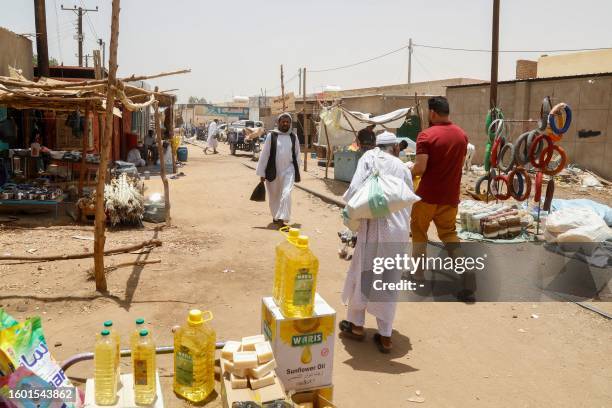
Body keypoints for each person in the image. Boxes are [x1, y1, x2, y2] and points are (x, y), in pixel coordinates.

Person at [339, 131, 414, 353]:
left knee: (362, 273)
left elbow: (354, 191)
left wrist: (353, 217)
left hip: (372, 227)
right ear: (395, 148)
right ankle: (385, 336)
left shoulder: (368, 159)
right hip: (397, 230)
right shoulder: (401, 167)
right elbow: (409, 198)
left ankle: (357, 326)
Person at [408, 96, 471, 300]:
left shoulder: (426, 136)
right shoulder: (462, 136)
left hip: (426, 197)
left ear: (433, 112)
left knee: (419, 232)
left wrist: (405, 173)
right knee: (449, 235)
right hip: (450, 198)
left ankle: (418, 273)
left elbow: (420, 168)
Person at [255, 113, 301, 228]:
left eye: (287, 122)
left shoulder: (293, 137)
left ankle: (283, 218)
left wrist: (296, 170)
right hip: (272, 171)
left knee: (286, 193)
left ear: (290, 123)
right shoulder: (272, 136)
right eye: (283, 121)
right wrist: (262, 172)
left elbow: (297, 155)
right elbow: (265, 154)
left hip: (289, 170)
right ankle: (276, 216)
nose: (285, 124)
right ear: (278, 123)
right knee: (274, 196)